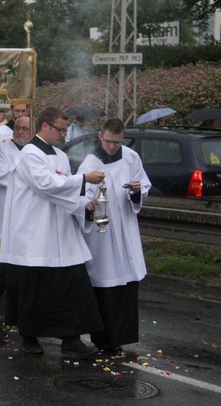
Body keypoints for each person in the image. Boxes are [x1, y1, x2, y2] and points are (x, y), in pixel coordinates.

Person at [1, 107, 105, 357]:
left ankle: (71, 338)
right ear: (45, 126)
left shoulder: (60, 154)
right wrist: (83, 180)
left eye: (65, 130)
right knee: (34, 286)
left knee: (71, 283)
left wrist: (83, 203)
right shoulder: (29, 154)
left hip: (61, 228)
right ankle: (29, 336)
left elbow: (64, 188)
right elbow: (45, 184)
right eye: (60, 129)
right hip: (34, 230)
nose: (63, 134)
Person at [78, 118, 151, 354]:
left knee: (126, 282)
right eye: (108, 141)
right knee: (106, 281)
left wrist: (138, 190)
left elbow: (144, 183)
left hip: (125, 226)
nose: (111, 147)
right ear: (100, 136)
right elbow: (79, 193)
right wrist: (87, 203)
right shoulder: (90, 163)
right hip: (103, 230)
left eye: (116, 142)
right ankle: (104, 339)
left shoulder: (130, 157)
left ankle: (121, 336)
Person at [0, 116, 32, 311]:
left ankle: (21, 295)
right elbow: (1, 176)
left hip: (30, 209)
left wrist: (23, 174)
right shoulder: (3, 148)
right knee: (7, 255)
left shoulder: (36, 151)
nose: (20, 132)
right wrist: (30, 176)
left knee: (27, 255)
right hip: (9, 207)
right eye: (18, 128)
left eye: (25, 129)